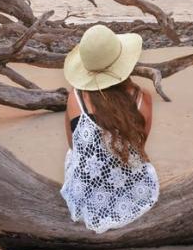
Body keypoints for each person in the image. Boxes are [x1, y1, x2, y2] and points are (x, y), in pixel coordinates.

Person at [60, 24, 159, 233]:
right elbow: (140, 147)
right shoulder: (143, 98)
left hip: (87, 196)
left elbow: (72, 145)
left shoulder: (75, 97)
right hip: (129, 191)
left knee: (72, 155)